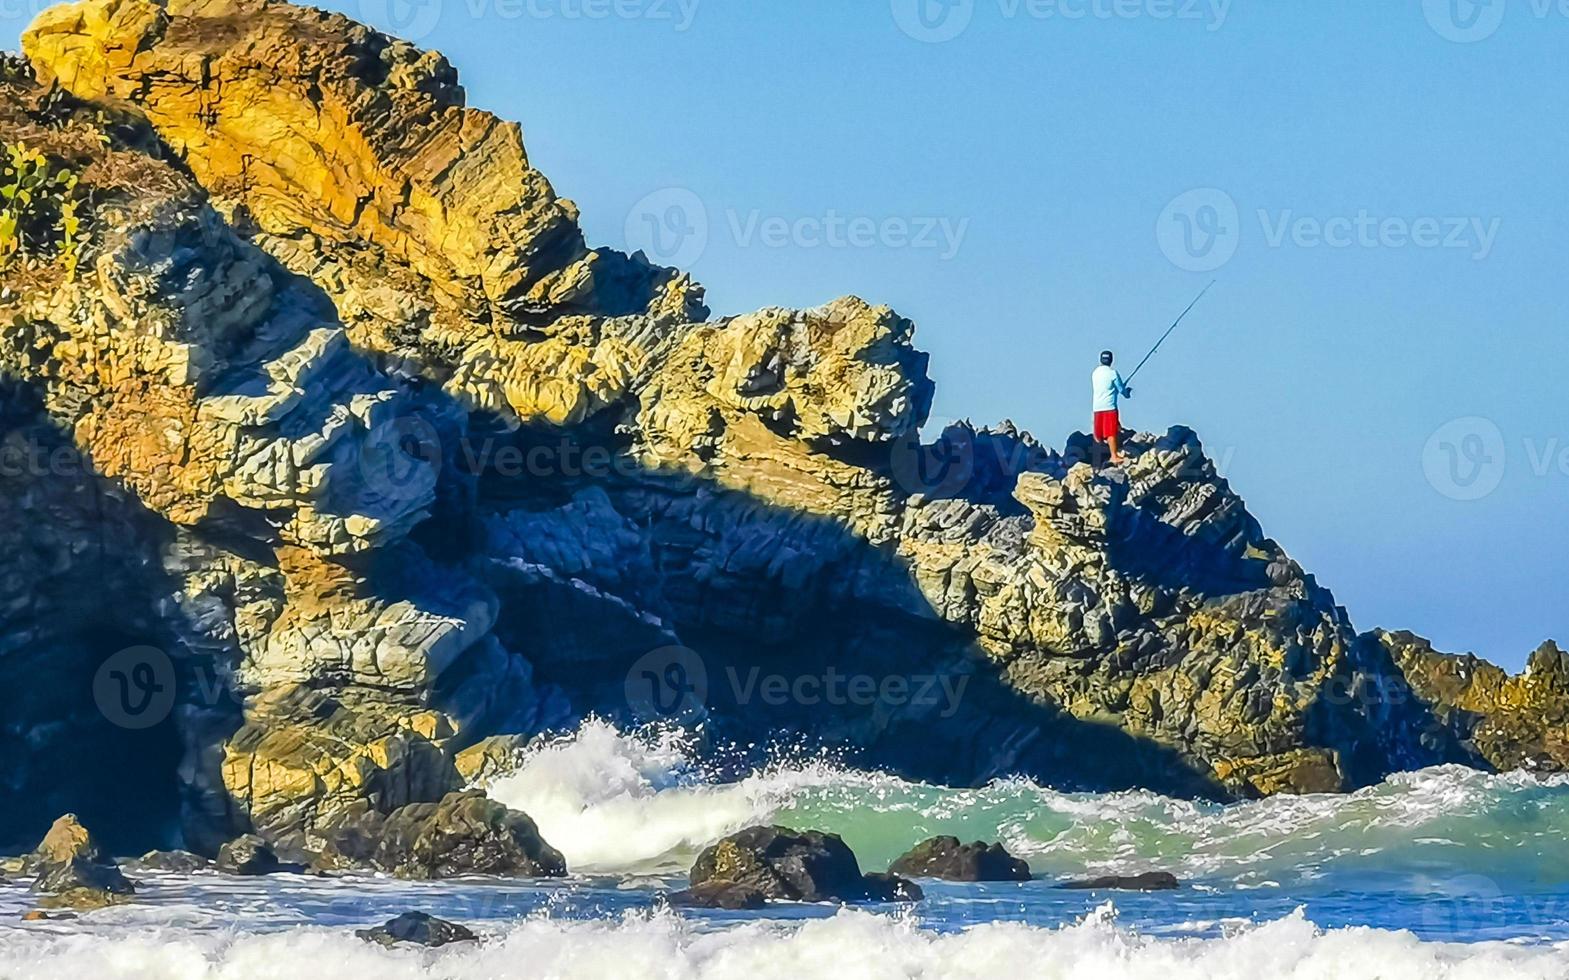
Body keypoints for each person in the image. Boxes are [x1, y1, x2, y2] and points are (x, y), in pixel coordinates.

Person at [1092, 350, 1131, 465]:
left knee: (1098, 433)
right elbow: (1121, 390)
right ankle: (1114, 456)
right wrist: (1127, 392)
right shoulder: (1112, 373)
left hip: (1097, 407)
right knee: (1110, 432)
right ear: (1111, 360)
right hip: (1109, 407)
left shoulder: (1095, 373)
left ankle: (1098, 457)